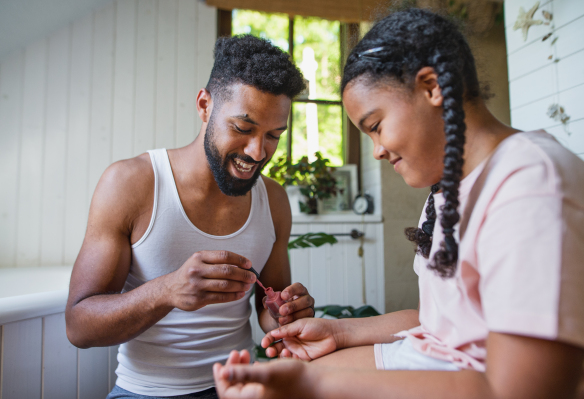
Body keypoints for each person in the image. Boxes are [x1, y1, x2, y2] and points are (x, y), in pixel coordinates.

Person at [213, 8, 584, 399]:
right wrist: (338, 331)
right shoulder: (448, 189)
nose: (375, 151)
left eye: (375, 126)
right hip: (435, 361)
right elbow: (440, 321)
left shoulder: (530, 183)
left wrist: (315, 384)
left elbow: (520, 390)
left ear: (432, 86)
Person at [65, 35, 316, 399]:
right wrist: (167, 291)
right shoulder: (131, 183)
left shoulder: (273, 200)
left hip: (241, 387)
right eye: (243, 129)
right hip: (147, 391)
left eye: (274, 135)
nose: (258, 151)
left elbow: (267, 304)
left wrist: (283, 313)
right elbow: (79, 327)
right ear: (204, 104)